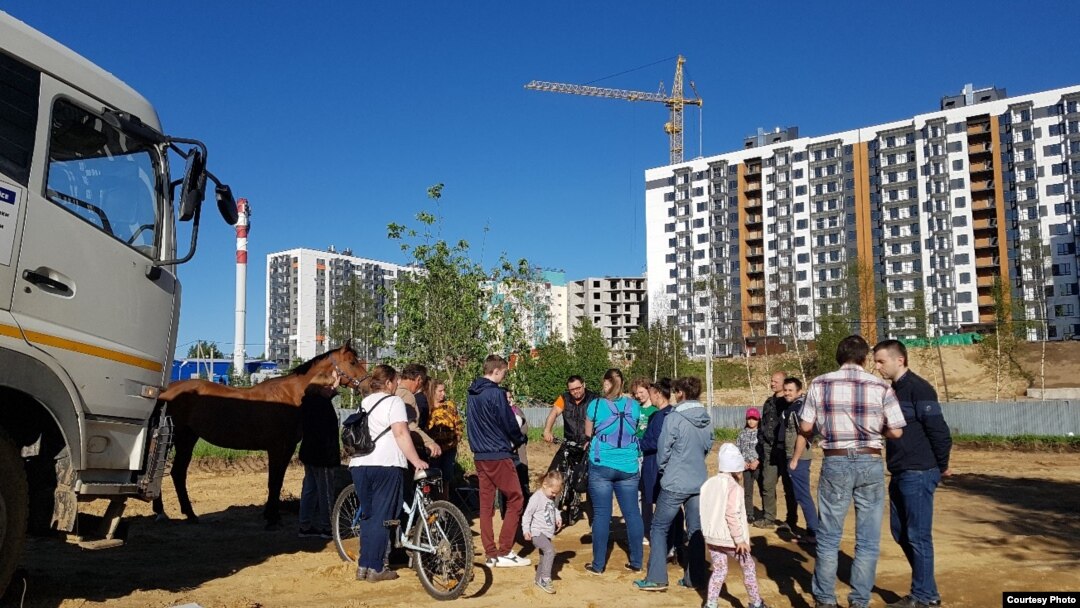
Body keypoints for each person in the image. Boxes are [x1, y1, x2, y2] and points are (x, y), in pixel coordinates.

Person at [798, 335, 906, 608]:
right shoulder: (881, 386)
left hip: (835, 460)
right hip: (870, 461)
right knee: (868, 539)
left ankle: (824, 599)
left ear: (838, 356)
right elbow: (896, 430)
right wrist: (873, 426)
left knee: (829, 536)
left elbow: (806, 427)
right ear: (864, 358)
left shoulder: (820, 383)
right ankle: (859, 600)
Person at [873, 340, 952, 608]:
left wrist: (941, 465)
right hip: (899, 470)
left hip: (919, 470)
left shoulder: (919, 388)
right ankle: (927, 590)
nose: (877, 366)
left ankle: (924, 595)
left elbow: (939, 430)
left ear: (900, 360)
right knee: (901, 532)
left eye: (881, 361)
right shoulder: (892, 391)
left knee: (917, 535)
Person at [348, 364, 429, 583]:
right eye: (395, 382)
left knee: (368, 515)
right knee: (383, 518)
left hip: (359, 464)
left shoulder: (364, 402)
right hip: (385, 464)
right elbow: (401, 433)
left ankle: (364, 566)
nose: (396, 386)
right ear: (388, 383)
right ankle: (377, 568)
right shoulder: (394, 402)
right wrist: (416, 460)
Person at [635, 376, 714, 591]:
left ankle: (657, 578)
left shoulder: (674, 417)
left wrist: (665, 470)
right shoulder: (706, 417)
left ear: (680, 393)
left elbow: (663, 451)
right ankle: (695, 578)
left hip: (674, 481)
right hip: (698, 480)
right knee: (696, 529)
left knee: (659, 528)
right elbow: (708, 445)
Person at [466, 355, 531, 568]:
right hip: (498, 454)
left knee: (486, 505)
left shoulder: (472, 394)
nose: (504, 376)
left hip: (480, 455)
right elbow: (509, 423)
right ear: (496, 371)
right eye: (503, 372)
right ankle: (504, 550)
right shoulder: (496, 393)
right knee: (516, 498)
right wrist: (519, 439)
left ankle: (491, 554)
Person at [583, 368, 644, 575]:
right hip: (628, 465)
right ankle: (636, 562)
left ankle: (598, 565)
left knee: (601, 515)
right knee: (632, 514)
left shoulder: (596, 405)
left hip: (601, 464)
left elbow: (588, 433)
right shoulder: (634, 406)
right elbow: (634, 428)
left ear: (607, 383)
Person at [700, 443, 770, 608]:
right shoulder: (735, 488)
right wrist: (739, 540)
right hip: (732, 540)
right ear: (737, 470)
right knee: (749, 567)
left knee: (719, 570)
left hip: (712, 538)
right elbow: (732, 515)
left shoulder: (709, 484)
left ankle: (710, 604)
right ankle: (756, 602)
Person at [298, 371, 341, 539]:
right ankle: (328, 527)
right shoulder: (322, 406)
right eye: (328, 386)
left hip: (309, 453)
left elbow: (324, 399)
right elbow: (326, 433)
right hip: (322, 455)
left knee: (309, 489)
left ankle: (304, 525)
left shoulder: (309, 403)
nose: (331, 388)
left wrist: (333, 388)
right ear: (320, 389)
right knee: (326, 493)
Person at [639, 378, 679, 547]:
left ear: (659, 394)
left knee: (665, 503)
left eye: (652, 393)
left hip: (658, 465)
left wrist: (637, 444)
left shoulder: (667, 415)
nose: (650, 397)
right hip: (650, 464)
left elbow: (658, 442)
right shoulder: (656, 414)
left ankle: (670, 540)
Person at [782, 377, 818, 545]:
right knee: (800, 494)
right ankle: (813, 530)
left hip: (799, 458)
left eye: (791, 390)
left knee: (803, 495)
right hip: (795, 456)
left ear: (799, 391)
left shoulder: (799, 408)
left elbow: (804, 433)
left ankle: (814, 532)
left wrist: (795, 459)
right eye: (786, 389)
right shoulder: (793, 407)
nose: (787, 393)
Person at [755, 371, 789, 529]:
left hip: (785, 449)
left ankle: (791, 521)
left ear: (784, 383)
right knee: (767, 484)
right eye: (771, 381)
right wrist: (762, 442)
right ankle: (769, 518)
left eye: (775, 381)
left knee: (789, 486)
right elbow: (762, 424)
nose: (772, 383)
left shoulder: (789, 402)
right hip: (769, 449)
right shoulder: (768, 402)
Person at [522, 470, 565, 595]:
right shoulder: (536, 498)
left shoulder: (550, 496)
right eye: (553, 492)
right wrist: (526, 530)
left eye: (556, 494)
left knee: (544, 557)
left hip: (547, 534)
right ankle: (546, 578)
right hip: (537, 533)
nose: (553, 496)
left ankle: (538, 579)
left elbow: (554, 509)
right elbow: (527, 515)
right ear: (545, 485)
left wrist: (558, 518)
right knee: (550, 551)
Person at [427, 380, 463, 500]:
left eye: (444, 390)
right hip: (434, 450)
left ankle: (445, 505)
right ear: (433, 391)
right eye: (440, 391)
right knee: (433, 478)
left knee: (446, 477)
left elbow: (458, 423)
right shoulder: (428, 407)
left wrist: (457, 437)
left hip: (449, 448)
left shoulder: (450, 405)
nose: (443, 393)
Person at [736, 407, 762, 523]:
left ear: (758, 420)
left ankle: (766, 514)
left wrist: (757, 461)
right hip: (746, 467)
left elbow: (764, 450)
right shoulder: (742, 434)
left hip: (758, 466)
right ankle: (749, 514)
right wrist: (742, 462)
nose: (751, 421)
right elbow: (738, 450)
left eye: (754, 419)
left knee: (764, 490)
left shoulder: (761, 433)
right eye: (749, 419)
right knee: (747, 491)